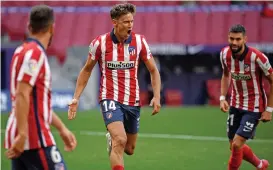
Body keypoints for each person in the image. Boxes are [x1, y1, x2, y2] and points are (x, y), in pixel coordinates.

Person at [68, 3, 161, 170]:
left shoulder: (140, 42)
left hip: (132, 100)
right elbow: (86, 70)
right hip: (109, 97)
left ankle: (112, 139)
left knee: (129, 149)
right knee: (120, 139)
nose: (130, 25)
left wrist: (157, 96)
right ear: (115, 22)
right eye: (126, 22)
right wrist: (76, 98)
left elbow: (153, 70)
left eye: (132, 21)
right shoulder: (99, 43)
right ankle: (114, 139)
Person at [4, 5, 77, 170]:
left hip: (21, 134)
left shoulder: (19, 51)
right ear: (52, 28)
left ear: (29, 27)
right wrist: (23, 135)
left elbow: (35, 102)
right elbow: (22, 94)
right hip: (34, 138)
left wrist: (62, 129)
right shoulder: (35, 55)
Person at [219, 24, 271, 170]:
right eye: (231, 38)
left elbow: (272, 80)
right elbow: (225, 74)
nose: (234, 42)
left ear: (245, 39)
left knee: (237, 144)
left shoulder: (257, 57)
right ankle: (260, 165)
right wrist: (222, 98)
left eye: (238, 39)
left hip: (254, 107)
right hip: (235, 105)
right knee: (234, 146)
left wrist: (269, 109)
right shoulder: (224, 54)